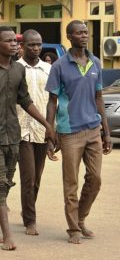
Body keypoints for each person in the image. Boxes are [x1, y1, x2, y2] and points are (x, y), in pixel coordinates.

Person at [0, 26, 55, 250]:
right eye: (8, 41)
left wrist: (47, 125)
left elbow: (25, 101)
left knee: (6, 184)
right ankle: (7, 234)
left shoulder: (18, 70)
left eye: (15, 41)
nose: (14, 44)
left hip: (14, 135)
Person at [46, 20, 112, 244]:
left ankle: (81, 218)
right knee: (70, 183)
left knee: (95, 179)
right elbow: (52, 101)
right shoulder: (59, 66)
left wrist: (106, 131)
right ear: (69, 37)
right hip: (69, 131)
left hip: (93, 129)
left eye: (85, 32)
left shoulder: (95, 62)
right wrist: (50, 131)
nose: (84, 36)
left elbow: (99, 97)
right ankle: (74, 228)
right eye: (79, 33)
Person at [17, 29, 56, 236]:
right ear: (22, 46)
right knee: (28, 177)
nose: (36, 48)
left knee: (37, 178)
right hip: (20, 130)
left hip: (42, 130)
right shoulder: (15, 68)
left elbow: (52, 101)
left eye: (39, 44)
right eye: (31, 45)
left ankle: (27, 210)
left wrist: (51, 129)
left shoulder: (49, 69)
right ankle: (30, 220)